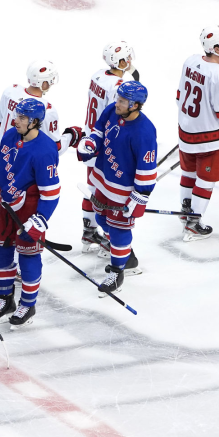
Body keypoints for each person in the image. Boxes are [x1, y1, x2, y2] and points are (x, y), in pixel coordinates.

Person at [0, 98, 60, 328]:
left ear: (34, 122)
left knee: (29, 255)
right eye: (17, 116)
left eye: (22, 118)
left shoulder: (45, 150)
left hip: (30, 210)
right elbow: (0, 163)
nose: (16, 121)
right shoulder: (11, 135)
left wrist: (40, 219)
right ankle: (6, 301)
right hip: (7, 205)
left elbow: (51, 192)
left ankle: (28, 304)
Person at [77, 82, 158, 294]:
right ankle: (126, 257)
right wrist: (91, 144)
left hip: (123, 191)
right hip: (103, 178)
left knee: (120, 229)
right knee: (103, 220)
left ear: (135, 105)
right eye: (118, 98)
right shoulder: (112, 111)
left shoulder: (145, 131)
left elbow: (147, 167)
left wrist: (140, 196)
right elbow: (98, 131)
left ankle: (116, 272)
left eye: (123, 101)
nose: (117, 103)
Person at [176, 25, 219, 241]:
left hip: (186, 131)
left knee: (189, 173)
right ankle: (193, 223)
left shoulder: (190, 61)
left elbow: (179, 95)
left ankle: (186, 213)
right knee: (205, 179)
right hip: (209, 138)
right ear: (218, 47)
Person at [80, 41, 140, 254]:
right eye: (127, 58)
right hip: (104, 142)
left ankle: (89, 230)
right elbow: (117, 115)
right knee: (105, 192)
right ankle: (109, 239)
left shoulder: (98, 75)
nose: (131, 61)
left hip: (90, 137)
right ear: (121, 61)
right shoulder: (117, 86)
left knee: (93, 188)